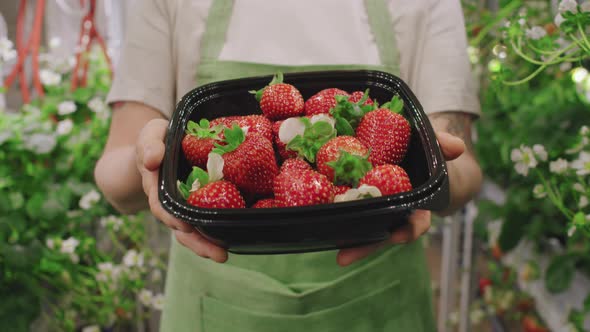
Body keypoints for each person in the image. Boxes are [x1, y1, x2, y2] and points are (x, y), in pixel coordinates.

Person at [94, 0, 483, 330]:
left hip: (382, 297)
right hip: (214, 299)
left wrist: (432, 159)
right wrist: (149, 159)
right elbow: (116, 175)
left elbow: (465, 172)